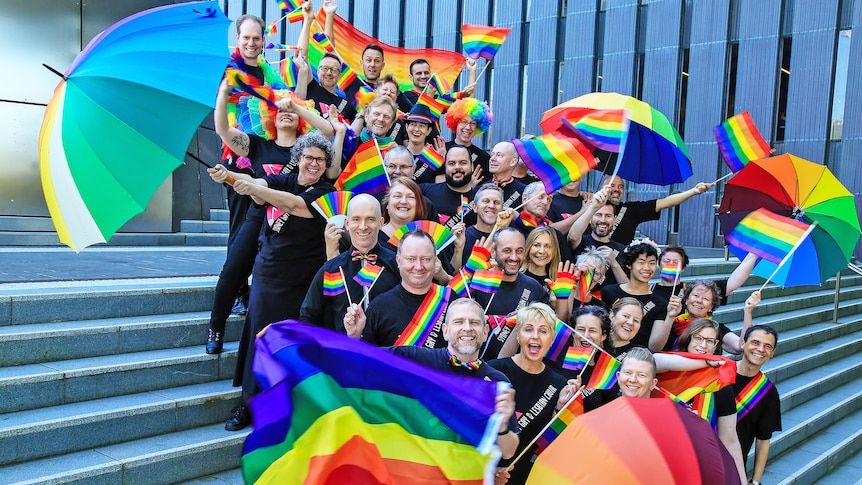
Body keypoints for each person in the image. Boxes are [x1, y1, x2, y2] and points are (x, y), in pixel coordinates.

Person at [213, 131, 336, 431]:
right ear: (298, 158)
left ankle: (286, 407)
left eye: (320, 160)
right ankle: (247, 404)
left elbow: (294, 205)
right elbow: (260, 187)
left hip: (304, 279)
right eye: (308, 157)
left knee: (293, 343)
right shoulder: (283, 179)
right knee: (259, 337)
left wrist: (252, 187)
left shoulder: (326, 192)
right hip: (269, 274)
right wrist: (229, 177)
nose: (314, 164)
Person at [204, 79, 336, 355]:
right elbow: (222, 130)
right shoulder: (258, 145)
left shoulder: (308, 148)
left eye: (291, 109)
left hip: (293, 230)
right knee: (233, 269)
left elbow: (328, 130)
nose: (285, 112)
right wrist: (224, 95)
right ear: (269, 115)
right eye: (280, 109)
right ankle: (216, 327)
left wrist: (297, 107)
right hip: (259, 215)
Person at [346, 298, 519, 460]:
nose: (467, 328)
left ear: (485, 332)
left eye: (474, 322)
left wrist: (502, 425)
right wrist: (354, 337)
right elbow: (362, 362)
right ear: (445, 331)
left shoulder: (497, 383)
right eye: (458, 322)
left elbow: (508, 452)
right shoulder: (415, 359)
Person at [487, 303, 579, 485]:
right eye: (528, 329)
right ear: (518, 335)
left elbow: (550, 442)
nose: (535, 336)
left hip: (525, 476)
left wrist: (561, 409)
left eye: (543, 331)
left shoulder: (559, 383)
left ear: (552, 339)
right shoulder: (494, 370)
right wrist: (489, 470)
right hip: (484, 472)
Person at [299, 194, 401, 331]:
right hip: (344, 350)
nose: (363, 226)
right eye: (356, 219)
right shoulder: (331, 270)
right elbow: (308, 316)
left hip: (387, 350)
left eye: (370, 219)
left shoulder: (397, 264)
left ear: (381, 222)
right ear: (347, 224)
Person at [343, 230, 452, 348]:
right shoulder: (379, 307)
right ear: (398, 261)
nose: (419, 267)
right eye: (411, 259)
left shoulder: (452, 301)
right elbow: (365, 360)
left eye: (426, 259)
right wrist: (355, 337)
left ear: (435, 261)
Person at [673, 318, 748, 484]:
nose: (703, 345)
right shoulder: (668, 373)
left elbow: (729, 438)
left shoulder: (721, 386)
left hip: (702, 463)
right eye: (698, 338)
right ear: (688, 339)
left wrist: (742, 480)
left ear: (716, 346)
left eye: (710, 341)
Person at [476, 228, 562, 360]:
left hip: (513, 369)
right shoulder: (477, 282)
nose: (514, 257)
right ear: (493, 252)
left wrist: (563, 299)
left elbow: (553, 329)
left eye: (519, 251)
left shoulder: (533, 287)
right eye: (507, 250)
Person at [734, 295, 781, 485]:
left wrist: (756, 481)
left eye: (767, 346)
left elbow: (763, 440)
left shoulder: (768, 393)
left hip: (734, 465)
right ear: (743, 343)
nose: (760, 349)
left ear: (773, 353)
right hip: (700, 455)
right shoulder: (718, 371)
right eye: (755, 342)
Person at [602, 175, 714, 245]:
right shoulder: (590, 206)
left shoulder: (631, 209)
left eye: (621, 186)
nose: (617, 189)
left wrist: (694, 191)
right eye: (612, 186)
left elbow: (664, 202)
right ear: (602, 188)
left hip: (620, 267)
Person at [651, 280, 749, 354]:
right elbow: (654, 348)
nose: (699, 301)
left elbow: (740, 346)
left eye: (705, 298)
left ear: (711, 307)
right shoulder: (672, 324)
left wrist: (748, 311)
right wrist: (670, 317)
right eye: (696, 295)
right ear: (686, 299)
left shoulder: (716, 329)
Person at [601, 239, 668, 347]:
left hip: (637, 358)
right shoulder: (608, 292)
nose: (647, 268)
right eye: (641, 262)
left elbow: (655, 347)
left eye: (652, 263)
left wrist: (670, 317)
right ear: (629, 265)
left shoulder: (661, 303)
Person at [295, 2, 356, 121]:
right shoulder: (310, 87)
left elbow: (330, 50)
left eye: (333, 70)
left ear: (339, 75)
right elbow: (301, 56)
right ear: (317, 71)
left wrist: (330, 14)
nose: (328, 73)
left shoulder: (347, 105)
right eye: (325, 68)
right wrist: (307, 21)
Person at [652, 245, 757, 306]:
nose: (671, 264)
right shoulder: (649, 290)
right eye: (667, 261)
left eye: (676, 262)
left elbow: (732, 284)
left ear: (683, 268)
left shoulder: (694, 290)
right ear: (659, 265)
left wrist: (754, 254)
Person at [567, 188, 628, 290]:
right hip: (579, 298)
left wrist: (614, 263)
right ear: (591, 218)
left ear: (615, 219)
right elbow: (572, 236)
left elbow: (627, 287)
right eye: (598, 215)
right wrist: (593, 208)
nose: (602, 220)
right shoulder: (582, 241)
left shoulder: (622, 250)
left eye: (608, 216)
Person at [565, 305, 618, 411]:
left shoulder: (608, 373)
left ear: (603, 336)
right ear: (573, 332)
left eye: (592, 331)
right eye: (581, 329)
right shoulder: (555, 359)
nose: (585, 335)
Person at [510, 182, 576, 265]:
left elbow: (568, 266)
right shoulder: (509, 229)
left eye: (549, 199)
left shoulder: (555, 235)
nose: (545, 202)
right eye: (541, 197)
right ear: (525, 198)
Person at [419, 145, 478, 226]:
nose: (457, 167)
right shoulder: (425, 191)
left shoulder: (480, 200)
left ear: (472, 167)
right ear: (445, 167)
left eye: (463, 163)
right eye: (452, 163)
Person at [444, 98, 493, 184]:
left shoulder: (483, 157)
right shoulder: (443, 149)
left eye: (473, 123)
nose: (468, 127)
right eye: (464, 122)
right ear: (456, 123)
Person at [402, 103, 446, 184]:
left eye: (422, 126)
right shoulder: (398, 155)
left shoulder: (434, 159)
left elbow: (440, 190)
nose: (417, 129)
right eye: (413, 124)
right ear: (406, 127)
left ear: (428, 131)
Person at [461, 183, 505, 262]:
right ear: (475, 207)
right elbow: (454, 272)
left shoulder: (508, 237)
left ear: (502, 208)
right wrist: (458, 249)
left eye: (496, 202)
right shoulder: (462, 236)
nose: (491, 206)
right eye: (486, 201)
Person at [488, 142, 526, 209]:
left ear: (513, 162)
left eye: (499, 155)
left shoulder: (524, 192)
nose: (492, 159)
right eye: (492, 155)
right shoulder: (480, 189)